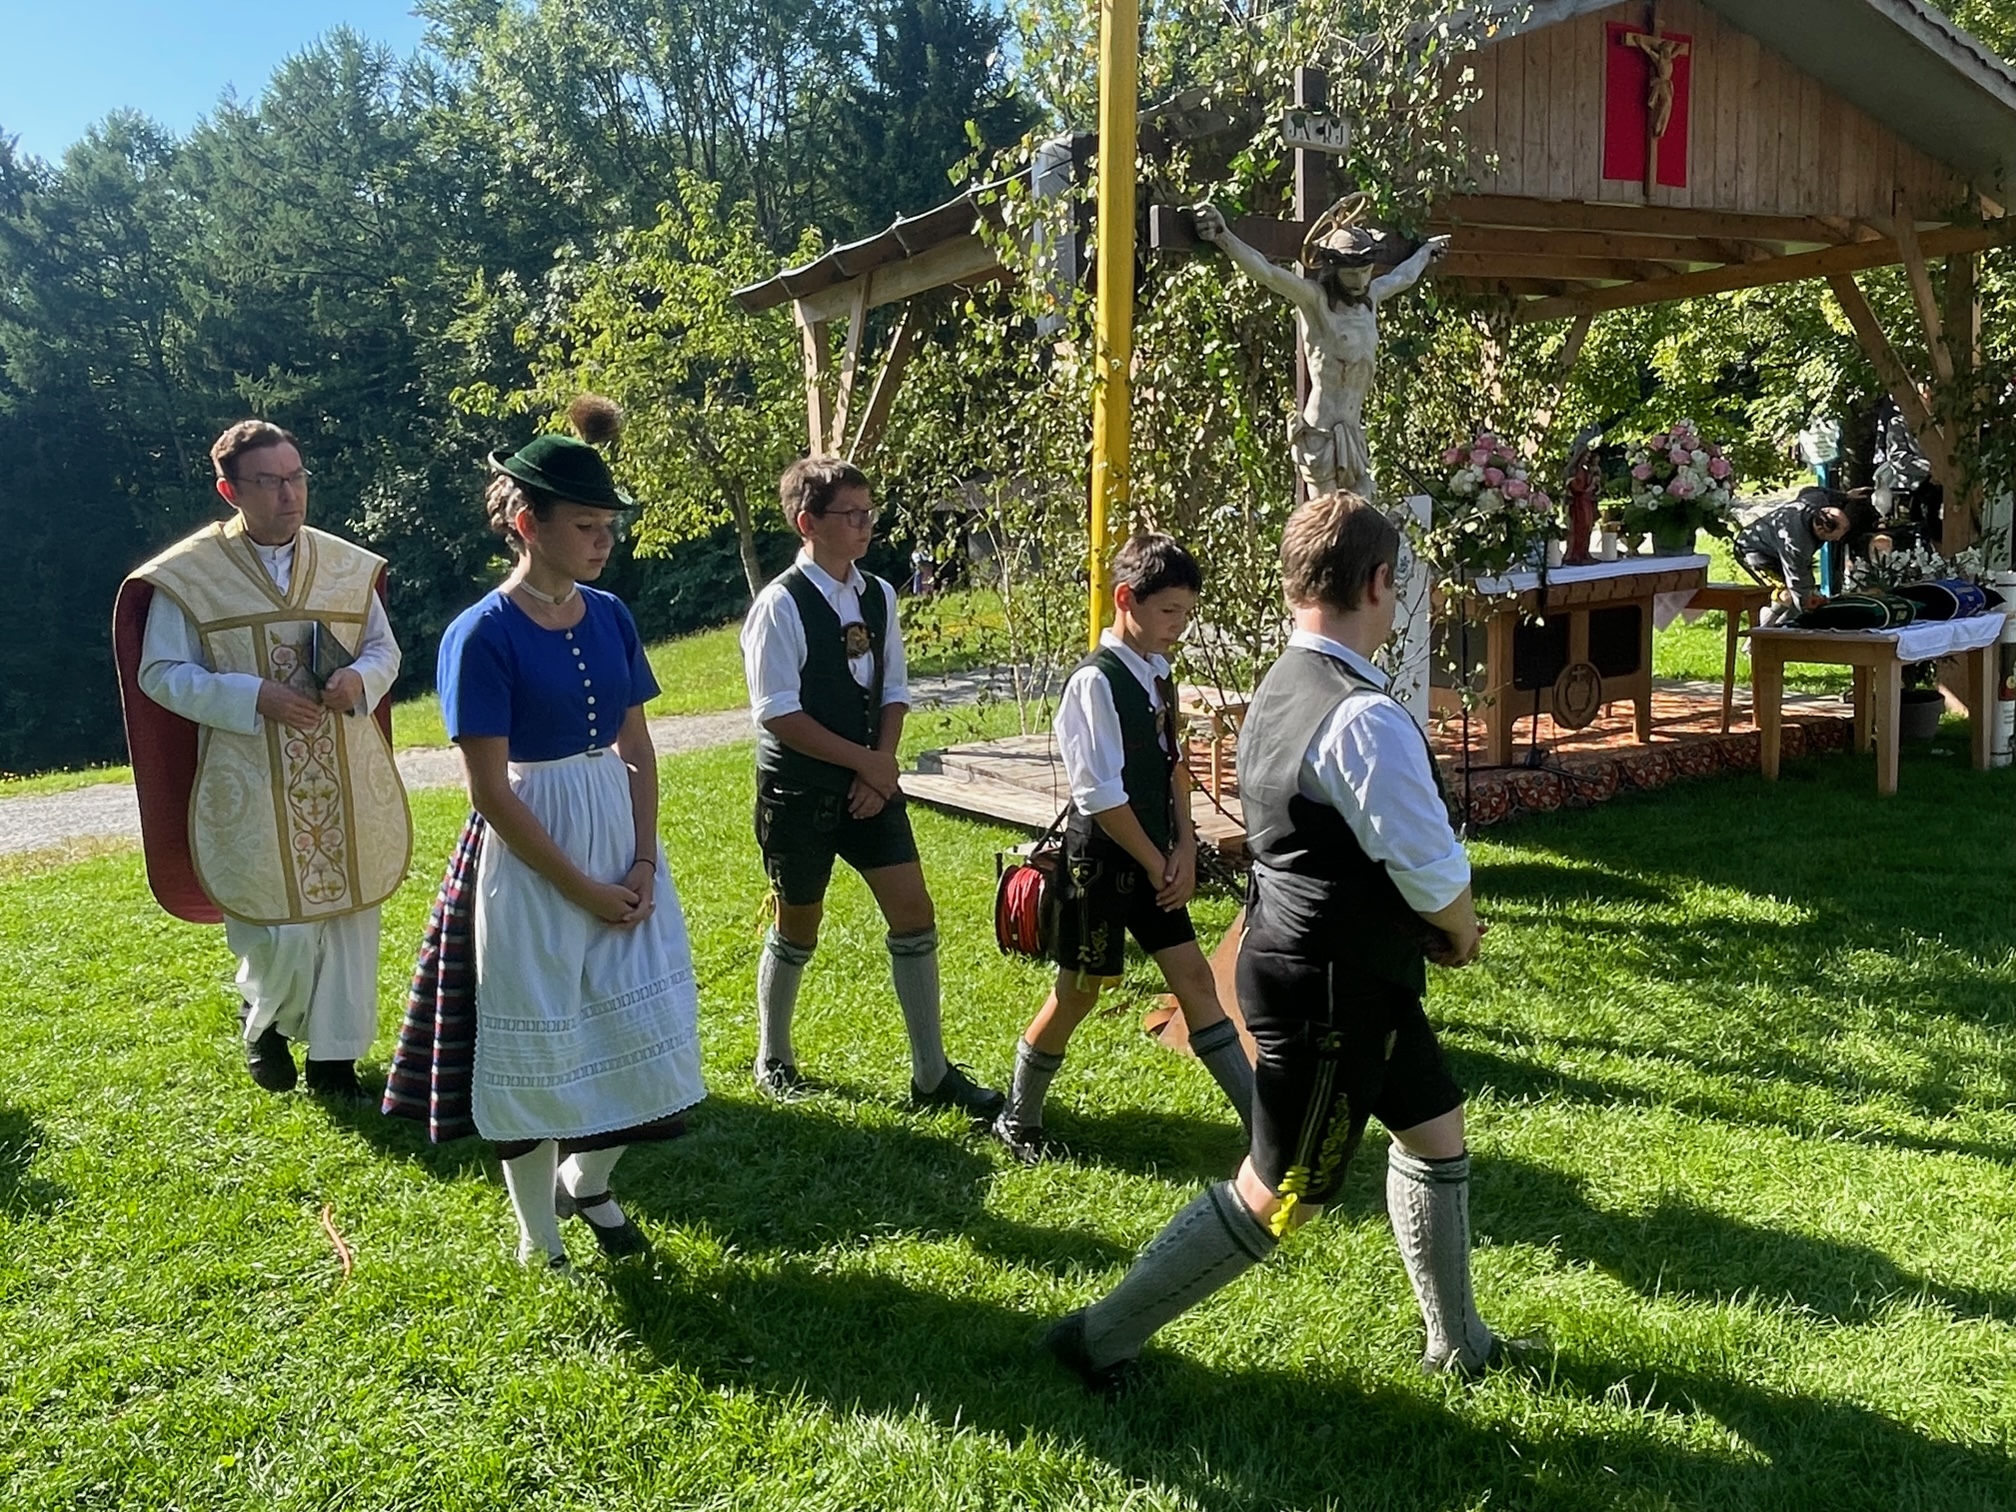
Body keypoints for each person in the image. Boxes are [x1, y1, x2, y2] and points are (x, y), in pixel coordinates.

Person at [1042, 491, 1506, 1392]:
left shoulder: (1283, 685)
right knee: (1280, 1191)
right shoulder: (1361, 716)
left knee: (1435, 1131)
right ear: (1379, 584)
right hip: (1330, 988)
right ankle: (1097, 1338)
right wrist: (1458, 930)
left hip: (1342, 968)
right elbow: (1431, 869)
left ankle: (1458, 1344)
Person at [423, 397, 704, 1268]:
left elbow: (637, 746)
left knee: (645, 1028)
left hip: (618, 836)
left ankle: (587, 1180)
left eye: (608, 525)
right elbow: (488, 790)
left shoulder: (612, 615)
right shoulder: (480, 635)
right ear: (526, 525)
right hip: (533, 849)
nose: (603, 540)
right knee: (539, 1035)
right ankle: (538, 1239)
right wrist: (580, 887)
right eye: (585, 525)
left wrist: (642, 857)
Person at [113, 420, 411, 1101]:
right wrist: (253, 696)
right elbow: (160, 672)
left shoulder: (346, 565)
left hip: (342, 768)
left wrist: (359, 679)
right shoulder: (188, 577)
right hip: (250, 771)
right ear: (230, 491)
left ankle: (335, 1061)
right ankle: (266, 1021)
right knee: (276, 924)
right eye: (270, 482)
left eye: (296, 477)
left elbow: (383, 650)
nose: (289, 494)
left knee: (348, 919)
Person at [740, 456, 1002, 1119]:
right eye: (851, 514)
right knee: (799, 923)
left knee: (914, 912)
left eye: (868, 511)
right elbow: (778, 713)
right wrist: (865, 762)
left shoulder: (879, 593)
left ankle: (931, 1073)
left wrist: (878, 765)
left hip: (870, 784)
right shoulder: (779, 605)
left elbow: (893, 689)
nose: (866, 524)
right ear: (808, 523)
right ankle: (773, 1054)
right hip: (800, 791)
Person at [991, 533, 1252, 1165]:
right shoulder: (1094, 683)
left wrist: (1184, 846)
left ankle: (1265, 1129)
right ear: (1126, 599)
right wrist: (1158, 861)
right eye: (1169, 612)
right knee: (1080, 990)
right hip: (1101, 865)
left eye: (1187, 613)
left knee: (1195, 981)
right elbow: (1101, 796)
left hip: (1156, 861)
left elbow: (1173, 769)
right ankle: (1018, 1116)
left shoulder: (1158, 673)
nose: (1179, 626)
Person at [1193, 198, 1446, 499]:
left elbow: (1402, 277)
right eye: (1350, 273)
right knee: (1328, 518)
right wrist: (1223, 235)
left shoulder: (1372, 298)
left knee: (1363, 511)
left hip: (1353, 431)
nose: (1359, 280)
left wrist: (1426, 252)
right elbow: (1267, 273)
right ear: (1333, 269)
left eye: (1365, 271)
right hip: (1321, 435)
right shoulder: (1316, 301)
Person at [1734, 487, 1857, 622]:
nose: (1837, 539)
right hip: (1753, 551)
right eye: (1835, 536)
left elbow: (1809, 491)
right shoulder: (1797, 544)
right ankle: (1773, 630)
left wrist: (1845, 496)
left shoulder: (1816, 500)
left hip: (1775, 547)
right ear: (1821, 530)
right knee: (1790, 596)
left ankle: (1771, 628)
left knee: (1796, 599)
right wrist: (1807, 604)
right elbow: (1798, 581)